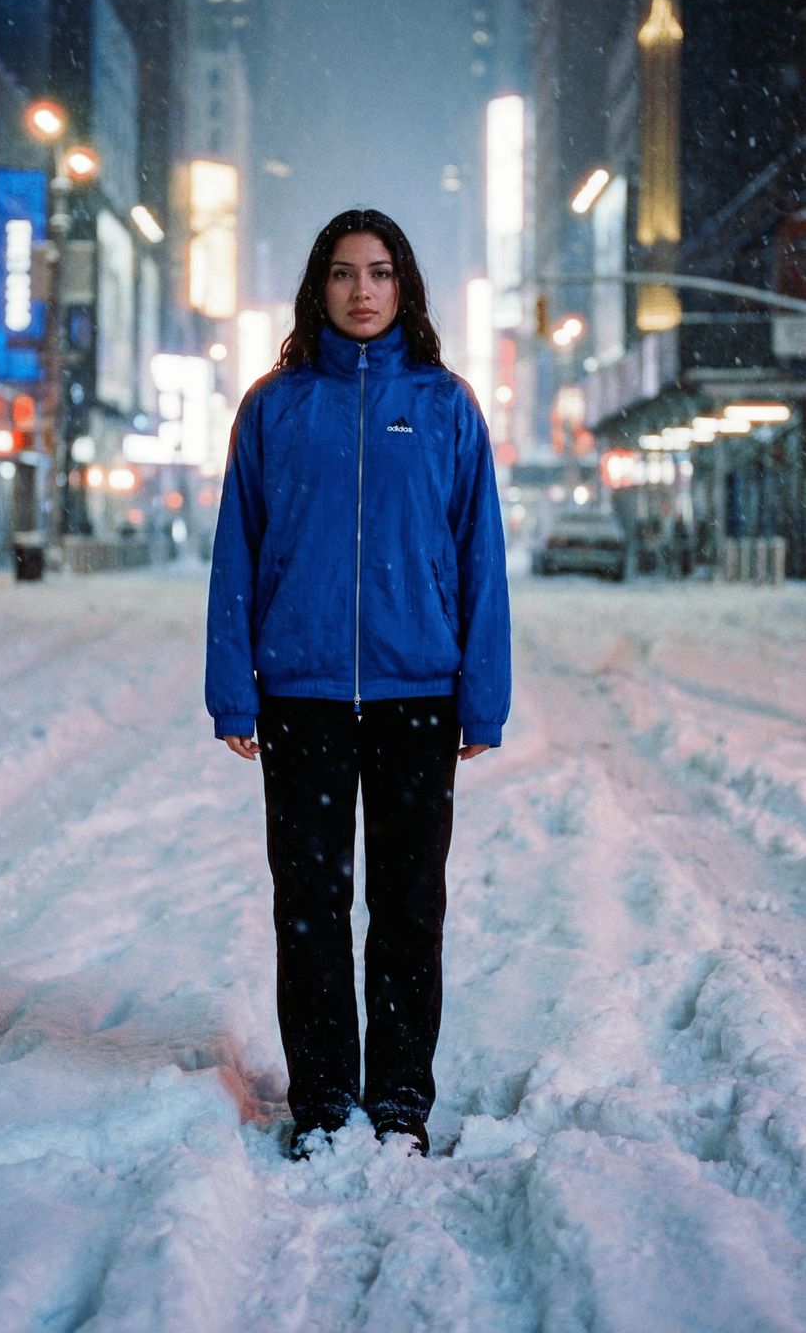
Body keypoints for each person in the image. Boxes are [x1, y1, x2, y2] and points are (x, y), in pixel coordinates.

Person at [205, 209, 511, 1159]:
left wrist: (481, 694)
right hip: (299, 695)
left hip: (416, 692)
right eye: (343, 273)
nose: (363, 291)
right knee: (310, 908)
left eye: (379, 273)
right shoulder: (274, 405)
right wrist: (233, 690)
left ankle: (400, 1105)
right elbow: (236, 555)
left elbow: (480, 557)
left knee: (410, 910)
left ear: (404, 286)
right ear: (318, 287)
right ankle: (325, 1100)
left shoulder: (448, 404)